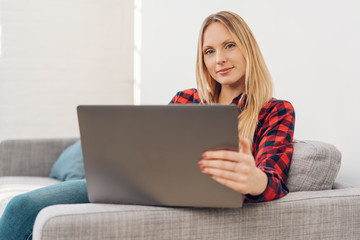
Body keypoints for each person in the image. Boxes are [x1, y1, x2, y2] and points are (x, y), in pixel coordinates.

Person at [0, 11, 295, 240]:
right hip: (139, 190)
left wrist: (251, 178)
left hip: (196, 203)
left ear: (248, 49)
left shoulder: (276, 111)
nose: (219, 59)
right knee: (20, 207)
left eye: (229, 45)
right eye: (209, 51)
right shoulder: (186, 100)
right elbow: (150, 152)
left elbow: (272, 182)